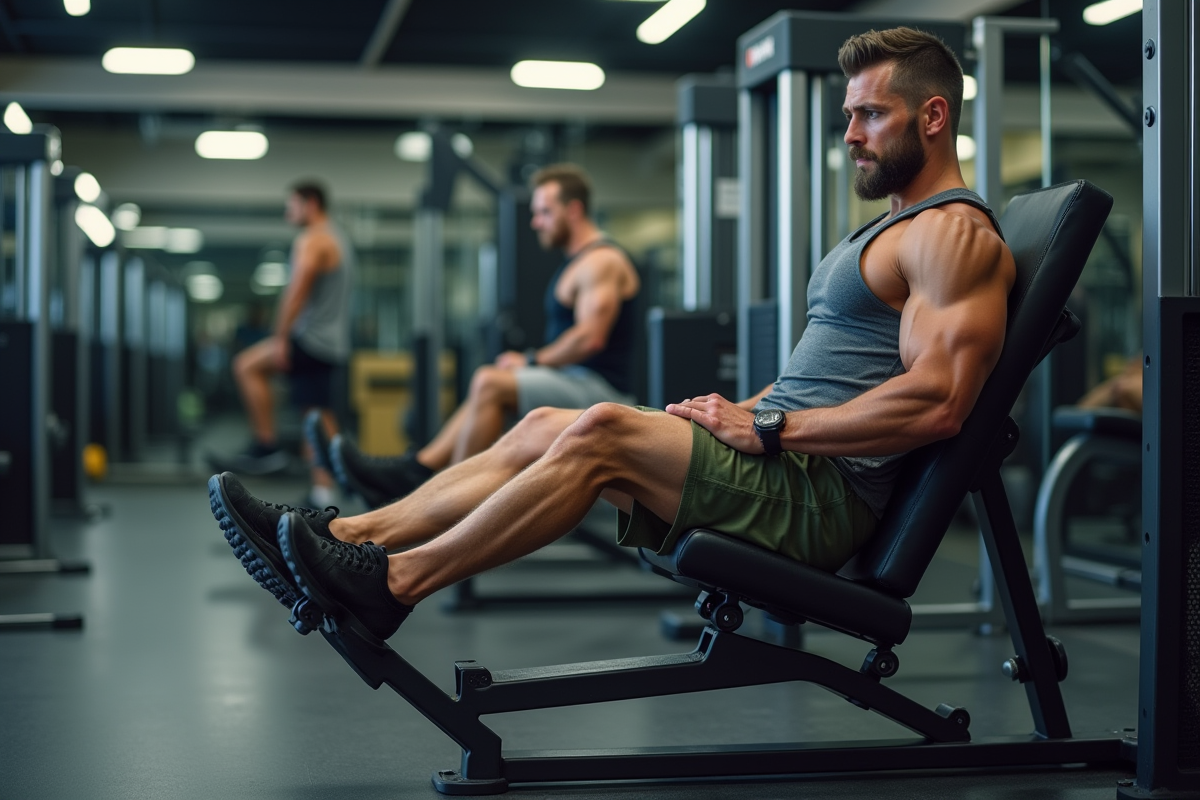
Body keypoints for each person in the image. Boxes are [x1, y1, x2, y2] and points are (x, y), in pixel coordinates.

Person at [210, 26, 1016, 646]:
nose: (851, 134)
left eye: (871, 114)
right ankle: (341, 536)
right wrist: (741, 408)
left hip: (820, 497)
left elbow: (939, 401)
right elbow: (827, 376)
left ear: (934, 115)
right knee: (539, 424)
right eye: (849, 116)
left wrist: (772, 425)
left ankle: (393, 587)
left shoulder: (954, 235)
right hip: (785, 460)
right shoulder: (891, 229)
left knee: (596, 431)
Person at [322, 164, 641, 508]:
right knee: (488, 380)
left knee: (491, 382)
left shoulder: (601, 261)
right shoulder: (578, 262)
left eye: (544, 212)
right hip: (574, 381)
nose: (536, 223)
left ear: (574, 209)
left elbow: (589, 338)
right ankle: (420, 470)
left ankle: (444, 500)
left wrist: (531, 360)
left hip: (601, 393)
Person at [215, 181, 354, 508]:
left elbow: (297, 291)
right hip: (330, 343)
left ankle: (267, 445)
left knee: (245, 365)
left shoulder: (313, 239)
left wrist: (280, 337)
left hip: (311, 339)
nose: (287, 212)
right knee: (317, 418)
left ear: (311, 204)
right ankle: (326, 491)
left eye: (292, 205)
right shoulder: (338, 237)